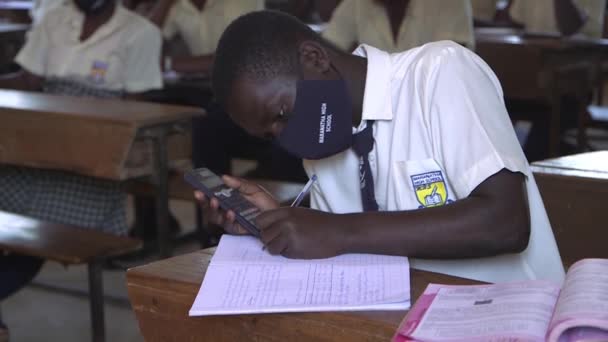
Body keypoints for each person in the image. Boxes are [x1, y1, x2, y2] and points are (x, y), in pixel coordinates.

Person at [198, 10, 566, 285]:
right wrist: (277, 220)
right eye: (270, 134)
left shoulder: (439, 73)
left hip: (512, 313)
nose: (284, 136)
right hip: (410, 318)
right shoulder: (323, 144)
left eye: (280, 114)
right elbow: (345, 243)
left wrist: (337, 230)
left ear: (314, 58)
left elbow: (505, 224)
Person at [0, 0, 162, 338]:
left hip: (95, 158)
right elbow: (30, 80)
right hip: (38, 145)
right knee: (10, 220)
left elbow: (138, 111)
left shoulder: (140, 32)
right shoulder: (54, 19)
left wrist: (83, 121)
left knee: (39, 234)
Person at [147, 0, 264, 73]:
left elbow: (235, 58)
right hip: (203, 86)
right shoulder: (178, 5)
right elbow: (143, 42)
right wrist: (164, 2)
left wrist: (167, 64)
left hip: (248, 84)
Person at [322, 0, 475, 52]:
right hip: (375, 110)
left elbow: (452, 68)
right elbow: (326, 48)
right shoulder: (358, 3)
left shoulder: (449, 3)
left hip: (437, 107)